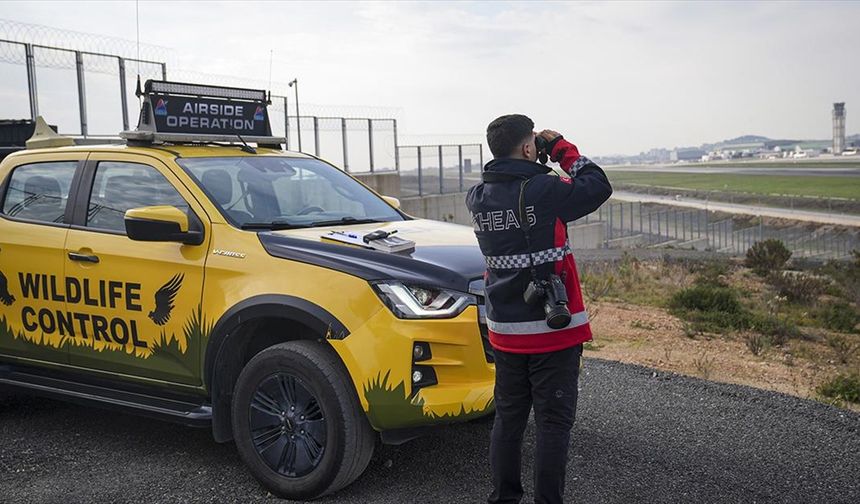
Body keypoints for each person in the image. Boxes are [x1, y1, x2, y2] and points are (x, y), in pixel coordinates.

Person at [465, 114, 612, 504]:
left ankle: (504, 498)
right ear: (529, 147)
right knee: (552, 425)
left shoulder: (477, 198)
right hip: (552, 331)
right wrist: (561, 148)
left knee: (508, 421)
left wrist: (533, 158)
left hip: (505, 333)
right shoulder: (545, 190)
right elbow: (597, 185)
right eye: (533, 143)